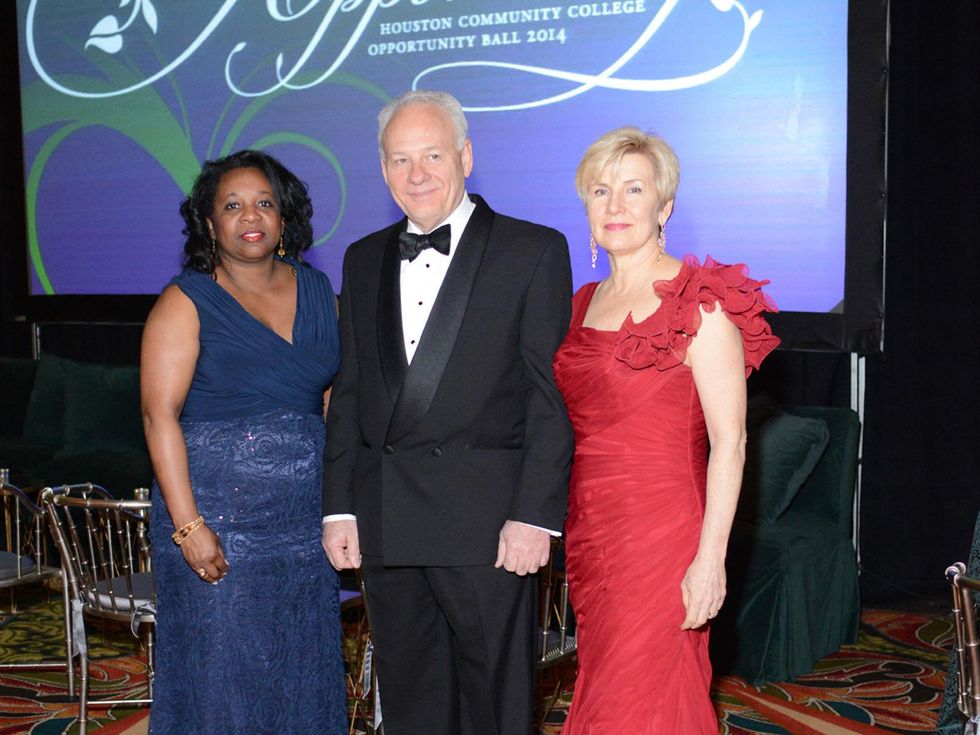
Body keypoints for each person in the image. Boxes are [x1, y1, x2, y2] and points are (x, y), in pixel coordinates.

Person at [321, 90, 574, 735]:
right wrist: (341, 507)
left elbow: (551, 401)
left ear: (464, 156)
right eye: (400, 160)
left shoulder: (533, 250)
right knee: (411, 700)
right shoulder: (362, 256)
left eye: (432, 154)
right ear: (382, 171)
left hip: (487, 528)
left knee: (495, 701)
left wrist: (533, 517)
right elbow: (350, 393)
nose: (417, 174)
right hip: (387, 519)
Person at [553, 127, 780, 733]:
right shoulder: (580, 303)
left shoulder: (699, 304)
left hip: (665, 533)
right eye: (601, 191)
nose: (616, 205)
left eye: (634, 189)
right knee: (606, 682)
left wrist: (711, 559)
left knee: (642, 696)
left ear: (665, 206)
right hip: (592, 533)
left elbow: (731, 444)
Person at [141, 149, 347, 734]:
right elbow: (160, 417)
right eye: (232, 205)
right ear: (210, 223)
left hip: (304, 529)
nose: (249, 215)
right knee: (220, 680)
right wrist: (188, 526)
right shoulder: (185, 301)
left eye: (264, 203)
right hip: (217, 525)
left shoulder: (319, 292)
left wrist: (342, 506)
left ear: (284, 219)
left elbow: (334, 403)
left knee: (302, 672)